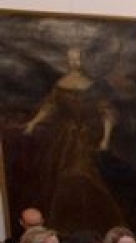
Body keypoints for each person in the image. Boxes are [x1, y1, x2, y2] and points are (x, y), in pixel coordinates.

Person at [20, 47, 125, 233]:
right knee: (63, 177)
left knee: (85, 177)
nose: (74, 63)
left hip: (88, 138)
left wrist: (105, 139)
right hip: (66, 138)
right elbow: (49, 107)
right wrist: (33, 123)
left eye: (78, 59)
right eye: (71, 59)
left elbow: (107, 113)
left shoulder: (92, 86)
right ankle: (65, 223)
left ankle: (96, 221)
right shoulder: (61, 85)